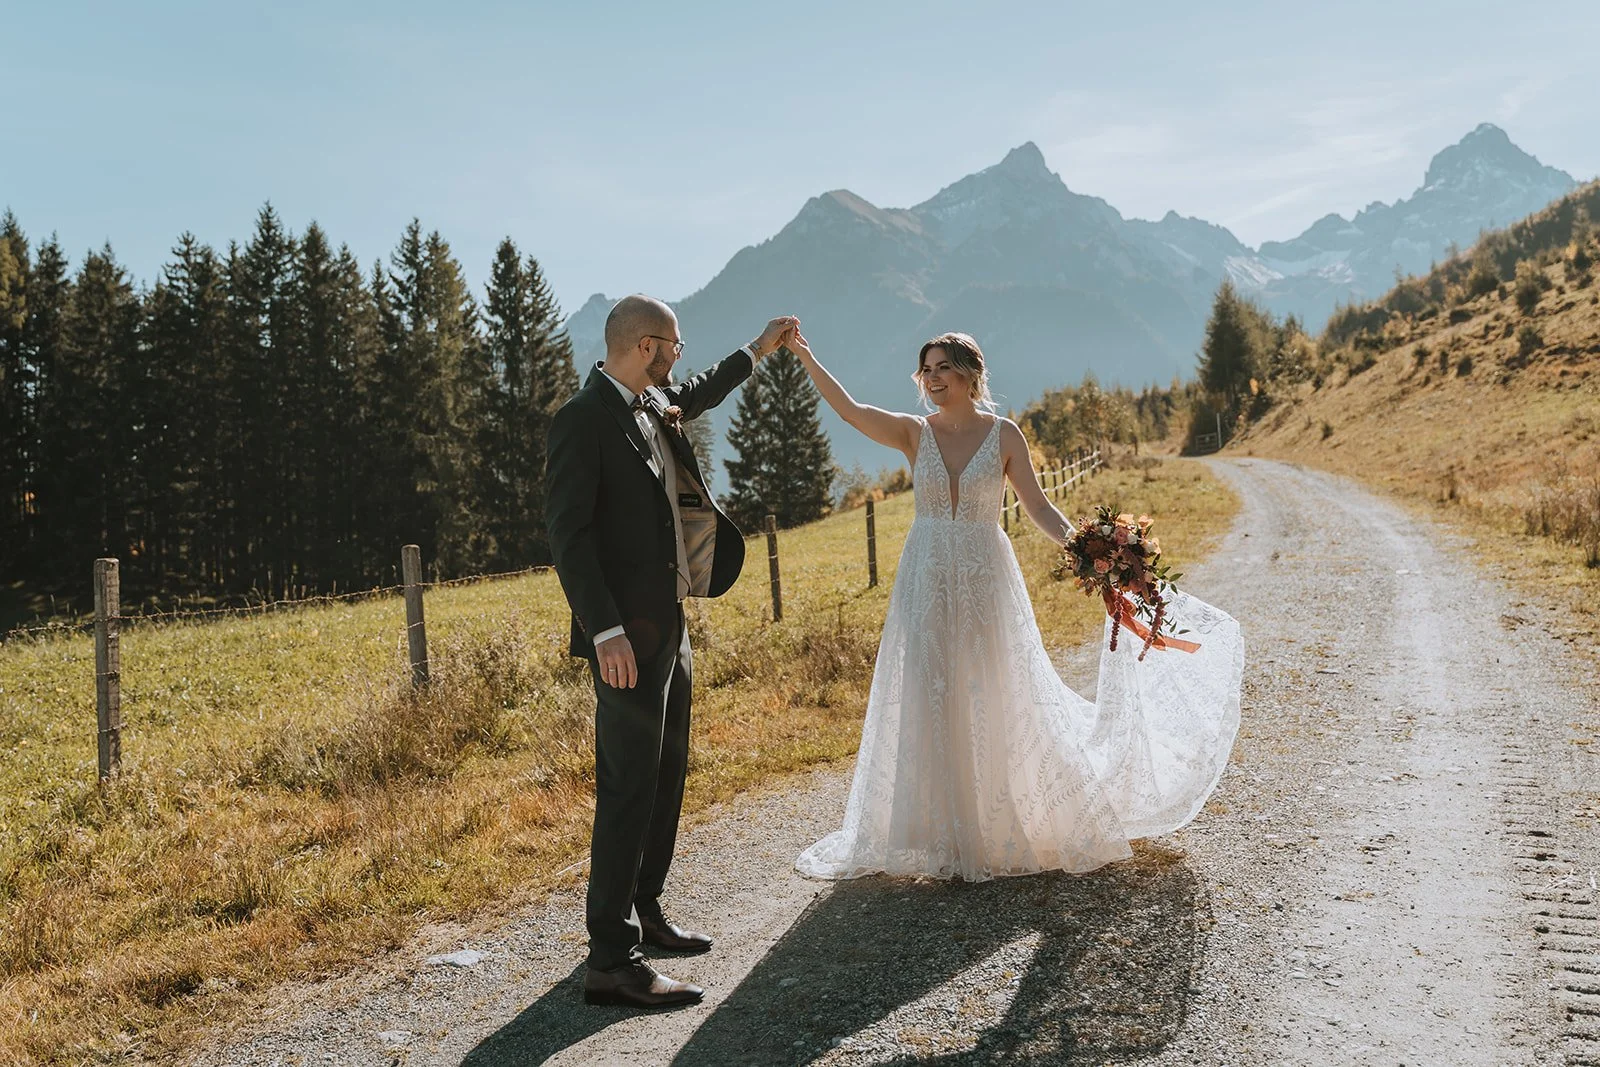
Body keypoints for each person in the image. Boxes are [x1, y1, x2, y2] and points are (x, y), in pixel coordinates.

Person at [786, 330, 1244, 881]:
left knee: (989, 689)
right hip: (926, 574)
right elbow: (853, 411)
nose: (931, 379)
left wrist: (1094, 550)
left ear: (970, 376)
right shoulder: (914, 433)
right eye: (926, 370)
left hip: (985, 577)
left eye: (943, 369)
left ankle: (988, 826)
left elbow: (1039, 508)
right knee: (930, 686)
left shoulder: (1004, 436)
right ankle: (934, 831)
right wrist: (806, 355)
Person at [545, 294, 798, 1008]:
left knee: (666, 769)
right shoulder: (582, 419)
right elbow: (569, 537)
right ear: (646, 346)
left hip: (669, 625)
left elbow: (698, 391)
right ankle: (610, 958)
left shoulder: (651, 402)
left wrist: (759, 347)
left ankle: (646, 909)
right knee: (628, 783)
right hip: (623, 637)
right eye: (675, 347)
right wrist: (604, 631)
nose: (678, 360)